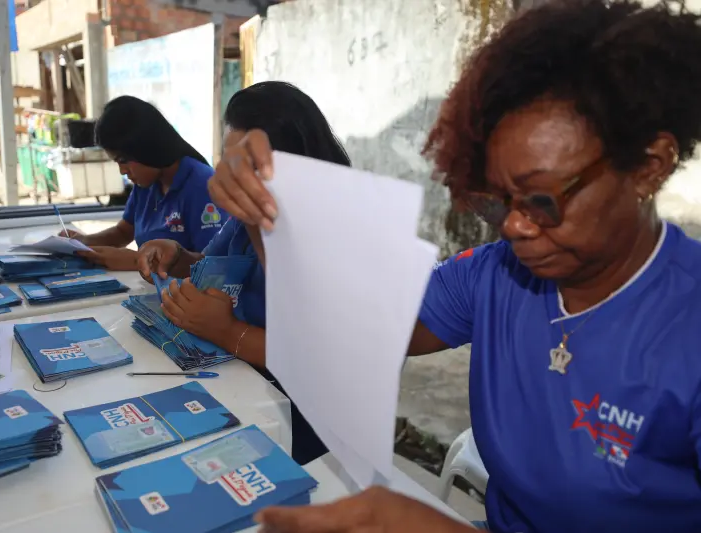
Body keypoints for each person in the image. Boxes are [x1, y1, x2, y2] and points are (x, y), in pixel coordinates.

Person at [201, 1, 701, 531]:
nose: (513, 226)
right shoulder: (493, 276)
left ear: (649, 167)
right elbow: (343, 331)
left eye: (541, 199)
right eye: (495, 202)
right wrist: (265, 208)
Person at [137, 81, 351, 465]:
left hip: (306, 420)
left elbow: (318, 358)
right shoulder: (246, 217)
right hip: (244, 380)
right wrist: (180, 257)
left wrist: (226, 331)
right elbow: (218, 264)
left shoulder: (333, 235)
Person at [59, 96, 227, 270]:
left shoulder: (202, 186)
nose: (122, 171)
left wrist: (136, 260)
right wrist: (83, 242)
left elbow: (213, 265)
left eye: (123, 161)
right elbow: (123, 233)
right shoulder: (146, 184)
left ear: (145, 148)